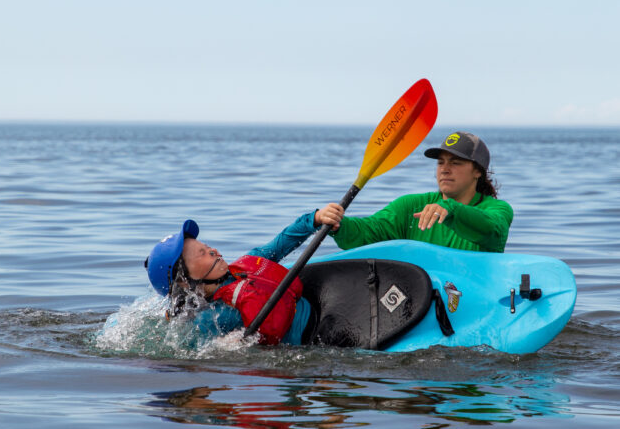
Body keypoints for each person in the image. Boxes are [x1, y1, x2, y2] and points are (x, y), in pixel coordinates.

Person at [144, 211, 337, 346]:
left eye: (207, 246)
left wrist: (314, 219)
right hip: (316, 341)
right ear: (184, 282)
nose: (213, 251)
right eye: (202, 253)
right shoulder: (209, 320)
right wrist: (226, 346)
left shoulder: (245, 265)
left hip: (326, 312)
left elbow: (281, 243)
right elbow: (198, 354)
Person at [316, 131, 513, 253]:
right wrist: (338, 224)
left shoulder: (498, 209)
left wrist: (450, 209)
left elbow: (491, 228)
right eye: (441, 163)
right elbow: (369, 231)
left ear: (477, 171)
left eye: (455, 163)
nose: (445, 169)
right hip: (424, 301)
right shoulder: (411, 207)